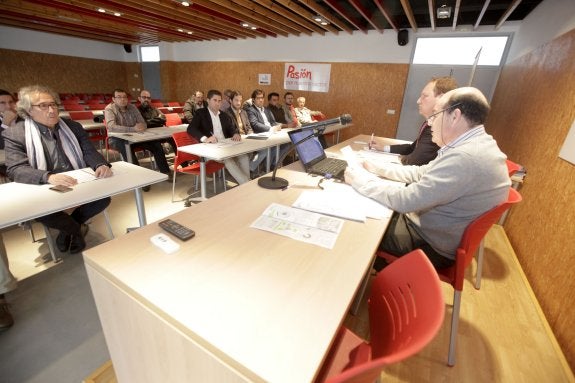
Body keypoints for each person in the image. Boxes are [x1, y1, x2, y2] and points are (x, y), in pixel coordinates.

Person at [345, 87, 510, 270]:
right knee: (377, 205)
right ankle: (381, 269)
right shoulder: (476, 145)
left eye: (436, 115)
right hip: (436, 231)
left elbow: (406, 200)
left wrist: (359, 181)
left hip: (429, 243)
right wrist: (378, 168)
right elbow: (421, 173)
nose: (430, 123)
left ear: (455, 116)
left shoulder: (466, 157)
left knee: (359, 226)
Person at [1, 85, 114, 328]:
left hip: (78, 180)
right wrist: (47, 177)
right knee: (44, 212)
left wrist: (100, 165)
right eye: (44, 106)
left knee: (104, 198)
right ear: (28, 110)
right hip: (45, 186)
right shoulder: (16, 132)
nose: (52, 110)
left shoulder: (71, 126)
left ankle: (68, 231)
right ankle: (74, 231)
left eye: (53, 104)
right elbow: (15, 169)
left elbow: (88, 151)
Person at [370, 76, 458, 165]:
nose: (418, 101)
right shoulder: (429, 123)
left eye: (424, 96)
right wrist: (383, 148)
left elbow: (416, 160)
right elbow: (412, 148)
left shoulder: (439, 128)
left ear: (441, 99)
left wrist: (384, 161)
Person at [104, 88, 171, 183]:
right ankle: (140, 179)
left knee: (156, 145)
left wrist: (142, 126)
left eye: (124, 97)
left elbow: (142, 122)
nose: (122, 99)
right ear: (113, 99)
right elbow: (111, 127)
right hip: (117, 138)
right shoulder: (109, 109)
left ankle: (166, 172)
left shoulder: (132, 107)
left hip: (135, 136)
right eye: (119, 97)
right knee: (127, 150)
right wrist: (133, 128)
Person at [187, 89, 250, 185]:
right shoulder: (201, 113)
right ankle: (247, 184)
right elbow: (191, 129)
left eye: (219, 101)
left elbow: (231, 128)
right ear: (208, 101)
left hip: (225, 145)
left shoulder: (224, 115)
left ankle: (246, 182)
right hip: (210, 149)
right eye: (215, 100)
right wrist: (205, 138)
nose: (217, 103)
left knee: (244, 156)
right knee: (228, 160)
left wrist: (235, 133)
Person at [246, 89, 288, 171]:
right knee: (272, 147)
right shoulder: (250, 110)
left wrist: (279, 125)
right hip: (260, 135)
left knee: (287, 144)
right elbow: (255, 124)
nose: (261, 100)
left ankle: (273, 164)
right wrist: (271, 129)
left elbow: (272, 122)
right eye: (258, 98)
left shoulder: (266, 109)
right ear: (253, 99)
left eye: (262, 98)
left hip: (272, 133)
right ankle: (256, 168)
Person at [1, 89, 20, 179]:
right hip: (6, 162)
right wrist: (5, 125)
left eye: (11, 102)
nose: (8, 106)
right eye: (2, 103)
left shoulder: (23, 118)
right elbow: (1, 146)